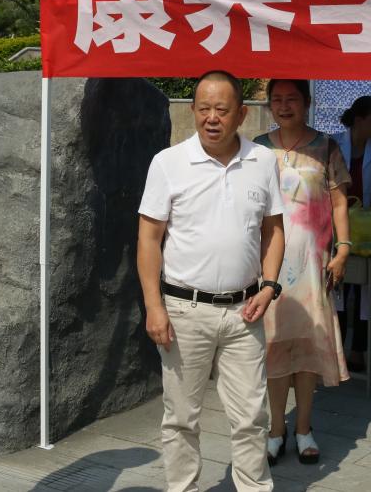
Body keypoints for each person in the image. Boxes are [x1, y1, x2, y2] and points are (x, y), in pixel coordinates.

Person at [137, 70, 286, 492]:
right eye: (203, 109)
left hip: (245, 312)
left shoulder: (262, 161)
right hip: (185, 311)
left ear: (242, 114)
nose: (212, 118)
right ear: (192, 110)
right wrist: (153, 306)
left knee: (251, 417)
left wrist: (269, 286)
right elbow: (149, 238)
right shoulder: (168, 163)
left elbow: (274, 230)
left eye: (222, 109)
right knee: (181, 418)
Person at [253, 79, 350, 465]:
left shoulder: (325, 146)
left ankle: (304, 428)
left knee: (307, 349)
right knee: (275, 347)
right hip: (268, 267)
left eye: (292, 98)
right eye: (276, 99)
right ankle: (276, 430)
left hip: (312, 263)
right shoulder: (257, 148)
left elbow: (339, 202)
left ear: (307, 102)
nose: (284, 105)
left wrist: (343, 248)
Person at [331, 95, 371, 371]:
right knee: (338, 290)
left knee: (366, 293)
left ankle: (358, 350)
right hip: (338, 227)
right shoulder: (334, 144)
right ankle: (336, 350)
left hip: (368, 230)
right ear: (359, 120)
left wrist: (367, 215)